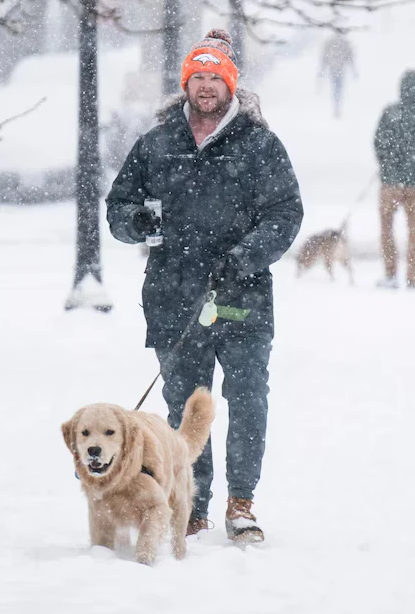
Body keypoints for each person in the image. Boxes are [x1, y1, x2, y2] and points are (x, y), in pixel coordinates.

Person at [106, 29, 303, 543]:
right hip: (174, 299)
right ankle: (192, 503)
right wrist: (137, 223)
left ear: (231, 84)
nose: (208, 86)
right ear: (186, 83)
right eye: (200, 77)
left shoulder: (260, 144)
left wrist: (244, 257)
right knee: (187, 408)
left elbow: (285, 213)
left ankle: (241, 502)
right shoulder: (157, 143)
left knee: (247, 399)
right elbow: (118, 207)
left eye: (217, 77)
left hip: (243, 299)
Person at [373, 70, 415, 289]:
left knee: (387, 228)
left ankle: (391, 274)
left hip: (391, 182)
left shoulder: (391, 113)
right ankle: (412, 277)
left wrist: (387, 163)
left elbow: (379, 143)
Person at [319, 30, 357, 118]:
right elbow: (350, 57)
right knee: (338, 88)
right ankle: (337, 105)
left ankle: (336, 106)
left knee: (336, 88)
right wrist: (353, 69)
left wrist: (322, 69)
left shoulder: (330, 43)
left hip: (335, 69)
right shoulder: (344, 43)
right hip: (339, 69)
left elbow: (325, 57)